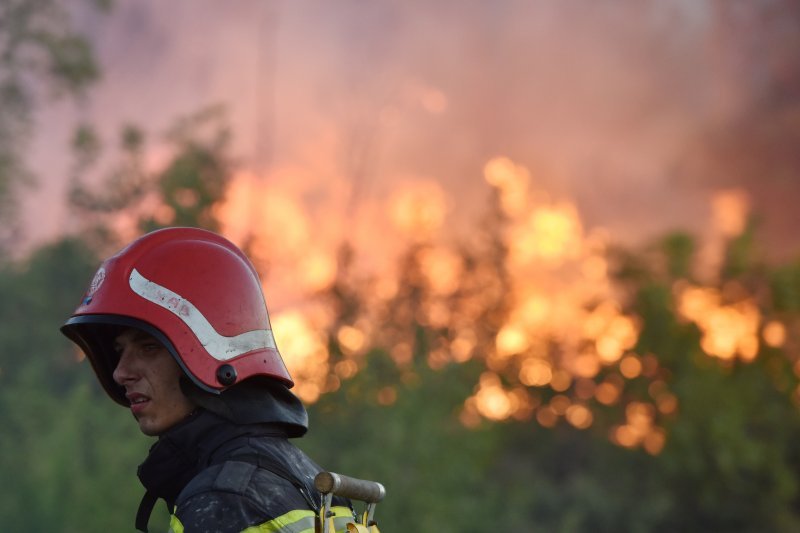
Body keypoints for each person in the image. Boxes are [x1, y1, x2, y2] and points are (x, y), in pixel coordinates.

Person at [61, 227, 353, 533]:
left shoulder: (225, 502)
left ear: (214, 355)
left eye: (148, 347)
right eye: (120, 352)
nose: (120, 372)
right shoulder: (312, 484)